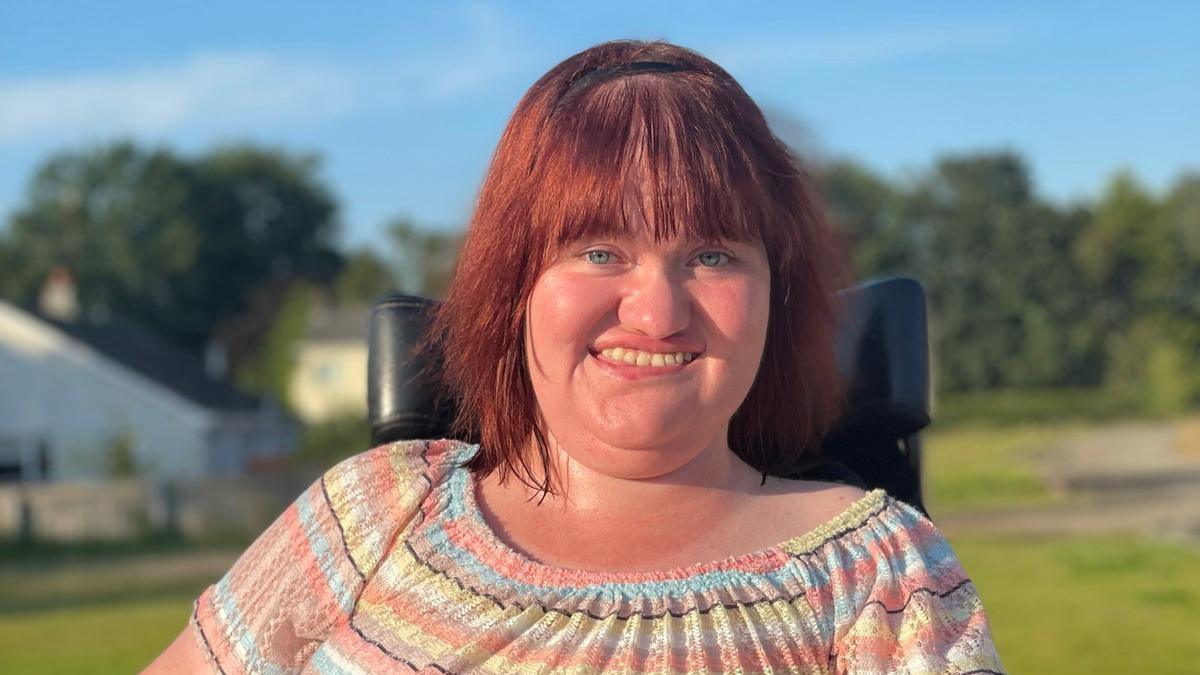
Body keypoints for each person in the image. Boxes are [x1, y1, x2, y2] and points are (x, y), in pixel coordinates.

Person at [147, 40, 1005, 674]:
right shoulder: (374, 513)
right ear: (513, 285)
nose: (658, 312)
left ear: (776, 296)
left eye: (713, 255)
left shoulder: (877, 574)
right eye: (599, 250)